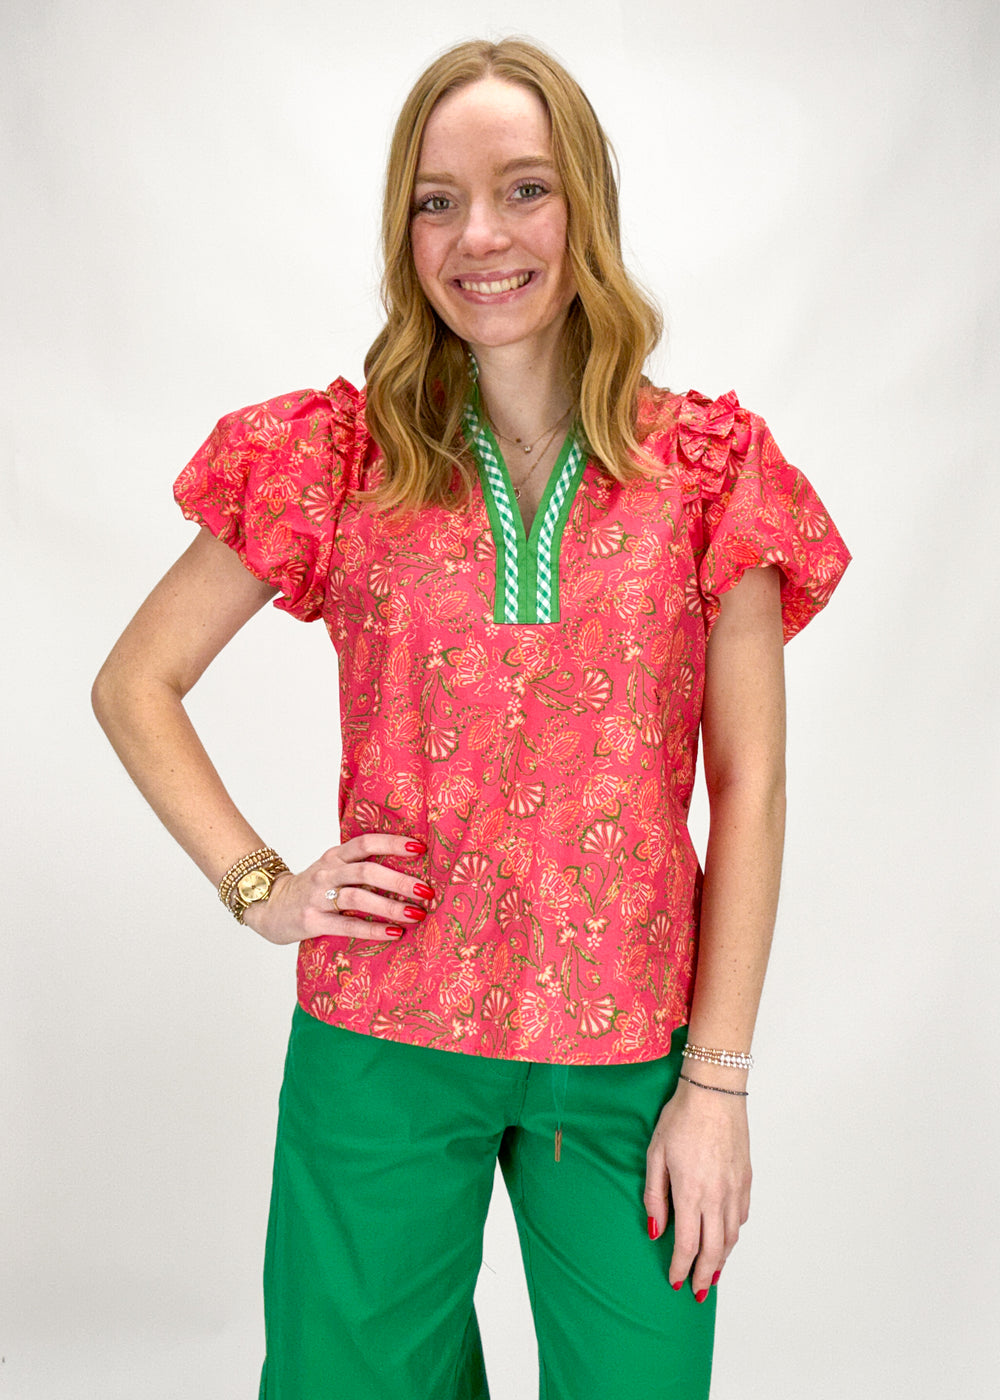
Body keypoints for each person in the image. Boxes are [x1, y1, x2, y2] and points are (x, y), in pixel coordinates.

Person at [92, 36, 850, 1400]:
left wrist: (718, 1086)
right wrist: (262, 886)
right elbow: (135, 681)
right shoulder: (337, 458)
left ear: (587, 214)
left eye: (523, 190)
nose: (478, 235)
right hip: (382, 1037)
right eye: (436, 200)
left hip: (627, 1056)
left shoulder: (710, 473)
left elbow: (754, 786)